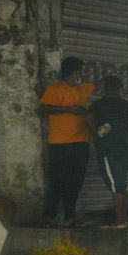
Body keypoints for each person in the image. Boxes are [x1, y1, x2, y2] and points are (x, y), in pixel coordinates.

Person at [39, 56, 96, 227]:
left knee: (75, 182)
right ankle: (48, 217)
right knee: (57, 181)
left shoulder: (82, 89)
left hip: (80, 143)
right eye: (80, 71)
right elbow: (43, 108)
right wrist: (69, 109)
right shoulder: (55, 89)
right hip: (60, 144)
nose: (82, 75)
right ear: (75, 72)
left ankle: (69, 217)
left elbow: (99, 86)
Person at [88, 74, 128, 228]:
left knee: (115, 187)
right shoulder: (127, 105)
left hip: (107, 151)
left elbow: (87, 119)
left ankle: (120, 222)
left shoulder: (98, 105)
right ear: (120, 89)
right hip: (124, 150)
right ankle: (124, 219)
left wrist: (97, 131)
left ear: (104, 89)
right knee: (121, 185)